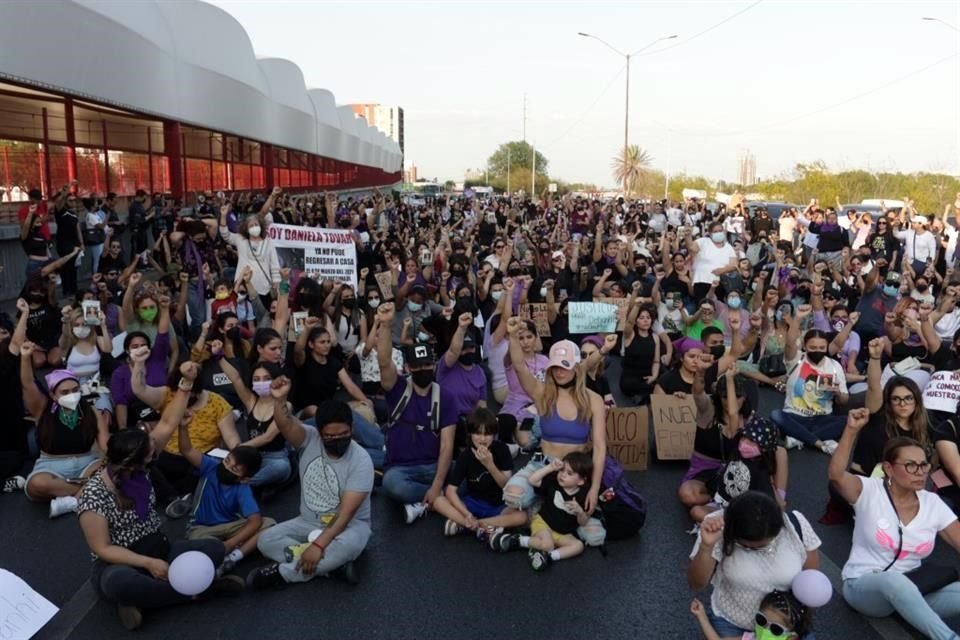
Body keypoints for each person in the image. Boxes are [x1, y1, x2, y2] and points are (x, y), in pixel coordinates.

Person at [77, 363, 243, 630]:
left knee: (211, 548)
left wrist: (186, 383)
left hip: (158, 547)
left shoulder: (140, 464)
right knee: (118, 583)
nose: (152, 461)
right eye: (147, 460)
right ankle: (199, 592)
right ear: (129, 464)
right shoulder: (94, 494)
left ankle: (145, 597)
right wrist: (148, 563)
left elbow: (168, 421)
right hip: (122, 561)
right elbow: (102, 548)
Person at [830, 411, 960, 640]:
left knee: (907, 586)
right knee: (895, 581)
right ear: (889, 468)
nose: (920, 472)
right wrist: (851, 430)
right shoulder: (869, 490)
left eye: (924, 465)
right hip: (864, 587)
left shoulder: (933, 502)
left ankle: (911, 610)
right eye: (910, 466)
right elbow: (837, 476)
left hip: (916, 586)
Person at [492, 324, 606, 549]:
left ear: (575, 366)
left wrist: (593, 488)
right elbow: (518, 366)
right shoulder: (542, 393)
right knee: (514, 496)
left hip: (575, 474)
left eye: (565, 367)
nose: (560, 372)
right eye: (555, 367)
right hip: (543, 466)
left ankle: (545, 512)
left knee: (595, 538)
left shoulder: (593, 399)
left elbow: (601, 447)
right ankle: (544, 511)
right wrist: (513, 335)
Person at [249, 394, 373, 588]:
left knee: (347, 545)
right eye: (331, 436)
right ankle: (332, 567)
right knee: (266, 540)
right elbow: (284, 424)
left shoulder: (362, 460)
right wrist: (279, 400)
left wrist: (318, 545)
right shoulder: (309, 438)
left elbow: (345, 514)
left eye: (344, 434)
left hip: (350, 526)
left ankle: (284, 573)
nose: (338, 440)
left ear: (352, 429)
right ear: (320, 432)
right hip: (308, 522)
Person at [687, 492, 821, 637]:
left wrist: (801, 623)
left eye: (768, 542)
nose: (759, 550)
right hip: (733, 622)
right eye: (749, 547)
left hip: (781, 629)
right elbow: (696, 584)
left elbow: (811, 582)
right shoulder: (716, 526)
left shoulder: (796, 524)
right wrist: (707, 547)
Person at [375, 303, 458, 523]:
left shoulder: (447, 397)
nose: (423, 371)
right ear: (408, 368)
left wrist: (437, 482)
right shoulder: (398, 389)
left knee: (466, 473)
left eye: (427, 366)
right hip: (401, 468)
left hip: (434, 465)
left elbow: (447, 445)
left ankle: (426, 502)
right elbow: (384, 362)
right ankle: (442, 500)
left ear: (433, 365)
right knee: (393, 485)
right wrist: (385, 325)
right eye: (417, 367)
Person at [20, 348, 110, 518]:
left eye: (76, 390)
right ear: (53, 395)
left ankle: (71, 500)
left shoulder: (92, 412)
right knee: (37, 485)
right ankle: (86, 495)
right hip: (51, 465)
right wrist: (25, 358)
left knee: (110, 472)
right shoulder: (42, 409)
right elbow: (28, 384)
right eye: (65, 392)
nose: (72, 395)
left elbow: (105, 444)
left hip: (87, 463)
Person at [178, 419, 274, 573]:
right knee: (200, 543)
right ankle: (226, 554)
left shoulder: (242, 487)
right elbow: (187, 450)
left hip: (229, 526)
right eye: (227, 461)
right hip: (201, 528)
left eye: (235, 469)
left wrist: (230, 544)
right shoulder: (210, 467)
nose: (227, 467)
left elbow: (255, 520)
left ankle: (233, 557)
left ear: (244, 478)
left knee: (269, 524)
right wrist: (183, 426)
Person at [431, 408, 527, 537]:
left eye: (487, 434)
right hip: (474, 502)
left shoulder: (502, 449)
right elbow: (450, 490)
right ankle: (479, 525)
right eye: (478, 433)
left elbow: (506, 485)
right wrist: (466, 513)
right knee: (438, 501)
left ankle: (471, 525)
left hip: (499, 504)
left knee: (521, 516)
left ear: (494, 434)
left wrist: (489, 464)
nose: (482, 438)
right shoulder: (466, 455)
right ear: (470, 433)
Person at [496, 451, 594, 571]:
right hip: (543, 523)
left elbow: (583, 522)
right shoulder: (553, 483)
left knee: (578, 546)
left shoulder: (584, 495)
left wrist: (579, 511)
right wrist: (550, 467)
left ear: (581, 481)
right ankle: (516, 540)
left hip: (563, 533)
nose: (562, 475)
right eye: (562, 470)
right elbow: (532, 480)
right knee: (548, 545)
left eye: (569, 473)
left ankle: (548, 556)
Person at [770, 307, 848, 455]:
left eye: (821, 347)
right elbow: (790, 344)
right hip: (794, 415)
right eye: (813, 347)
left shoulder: (834, 366)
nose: (817, 350)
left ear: (826, 348)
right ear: (805, 346)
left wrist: (837, 392)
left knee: (847, 420)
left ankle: (799, 438)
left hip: (822, 417)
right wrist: (797, 318)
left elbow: (844, 399)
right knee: (776, 415)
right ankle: (820, 442)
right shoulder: (796, 359)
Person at [691, 590, 813, 640]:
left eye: (776, 629)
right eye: (761, 620)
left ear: (791, 636)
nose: (764, 630)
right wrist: (701, 615)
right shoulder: (752, 637)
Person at [686, 221, 738, 302]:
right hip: (701, 281)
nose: (718, 233)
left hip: (719, 284)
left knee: (718, 308)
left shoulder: (729, 247)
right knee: (702, 307)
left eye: (720, 231)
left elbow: (734, 265)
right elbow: (691, 248)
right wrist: (688, 235)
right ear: (710, 233)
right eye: (715, 231)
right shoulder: (703, 241)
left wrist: (722, 270)